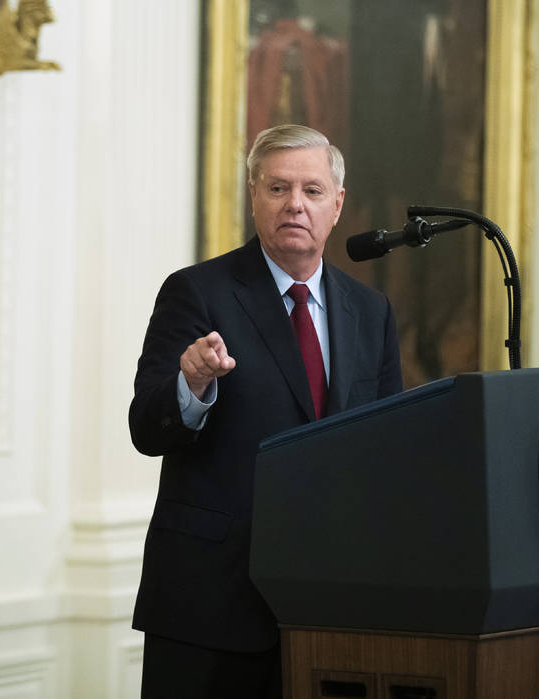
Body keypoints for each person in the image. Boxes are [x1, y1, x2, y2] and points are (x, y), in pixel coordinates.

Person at [129, 124, 401, 697]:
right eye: (277, 188)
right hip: (211, 602)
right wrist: (192, 384)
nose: (295, 204)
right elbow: (145, 428)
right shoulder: (197, 292)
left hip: (331, 600)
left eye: (312, 190)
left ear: (337, 203)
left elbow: (387, 447)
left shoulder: (370, 312)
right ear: (253, 195)